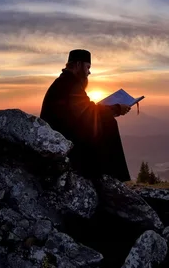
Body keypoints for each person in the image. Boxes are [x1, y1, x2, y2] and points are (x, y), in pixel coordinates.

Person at [40, 49, 132, 182]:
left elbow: (83, 110)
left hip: (63, 135)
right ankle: (112, 178)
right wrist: (117, 108)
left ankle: (109, 178)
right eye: (88, 67)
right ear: (78, 65)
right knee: (108, 123)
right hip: (63, 140)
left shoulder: (66, 82)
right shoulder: (69, 84)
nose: (89, 72)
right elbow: (88, 111)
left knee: (103, 121)